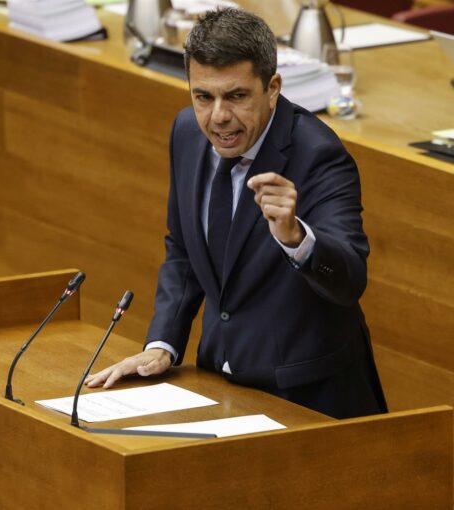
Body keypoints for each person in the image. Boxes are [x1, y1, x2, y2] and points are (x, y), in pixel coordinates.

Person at [86, 8, 387, 419]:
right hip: (220, 384)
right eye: (203, 97)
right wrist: (163, 343)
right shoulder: (187, 133)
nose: (219, 117)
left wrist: (296, 238)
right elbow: (184, 249)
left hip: (308, 397)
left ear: (272, 88)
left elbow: (350, 279)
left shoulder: (318, 154)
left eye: (237, 96)